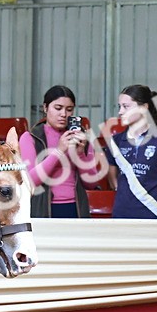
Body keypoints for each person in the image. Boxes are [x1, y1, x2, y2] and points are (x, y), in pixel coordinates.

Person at [18, 85, 98, 218]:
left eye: (69, 109)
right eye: (58, 108)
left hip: (76, 208)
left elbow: (91, 183)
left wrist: (80, 155)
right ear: (45, 108)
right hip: (41, 209)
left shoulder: (82, 137)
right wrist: (59, 151)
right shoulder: (30, 137)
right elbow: (30, 181)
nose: (63, 114)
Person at [105, 84, 157, 219]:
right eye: (119, 106)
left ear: (144, 107)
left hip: (153, 214)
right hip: (121, 214)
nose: (120, 112)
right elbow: (113, 182)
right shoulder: (115, 142)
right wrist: (128, 192)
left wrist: (148, 193)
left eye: (126, 106)